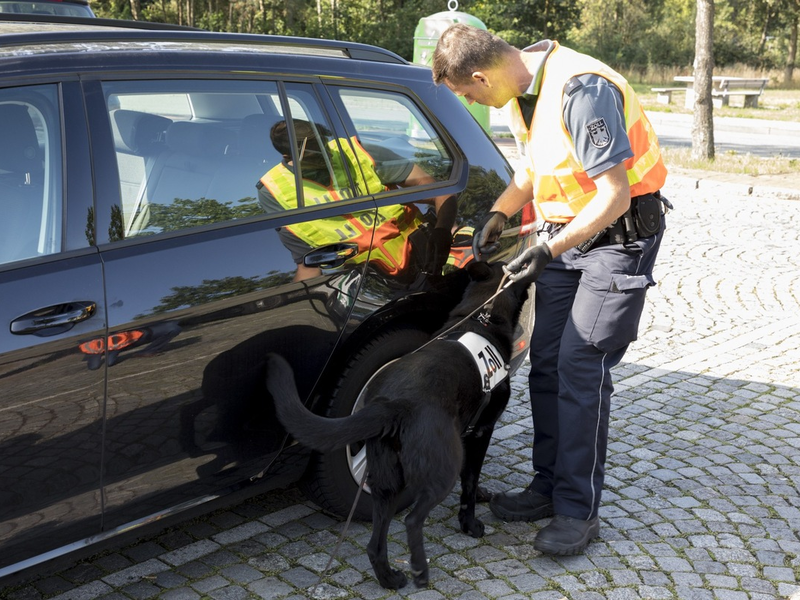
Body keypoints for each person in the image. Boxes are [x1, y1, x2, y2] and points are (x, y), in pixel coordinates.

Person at [432, 25, 670, 555]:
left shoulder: (582, 89)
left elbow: (613, 196)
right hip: (566, 238)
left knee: (581, 365)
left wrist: (548, 250)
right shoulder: (522, 93)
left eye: (471, 95)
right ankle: (546, 484)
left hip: (616, 241)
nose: (476, 102)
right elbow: (533, 169)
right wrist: (499, 212)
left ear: (480, 75)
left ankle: (576, 510)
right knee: (546, 361)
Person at [257, 119, 455, 283]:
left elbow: (439, 192)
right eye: (313, 153)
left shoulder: (357, 152)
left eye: (323, 146)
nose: (324, 155)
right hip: (369, 288)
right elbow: (308, 266)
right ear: (288, 156)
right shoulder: (275, 193)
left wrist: (443, 232)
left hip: (427, 260)